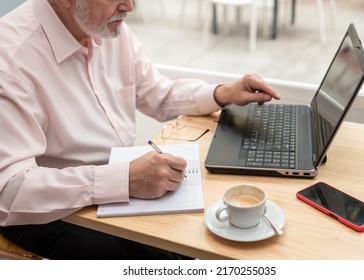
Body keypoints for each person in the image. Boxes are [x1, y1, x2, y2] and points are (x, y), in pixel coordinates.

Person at [0, 0, 280, 259]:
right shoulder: (10, 59)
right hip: (45, 214)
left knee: (196, 241)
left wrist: (223, 93)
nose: (129, 6)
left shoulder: (104, 25)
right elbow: (10, 190)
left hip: (114, 190)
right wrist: (125, 179)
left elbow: (157, 93)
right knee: (168, 261)